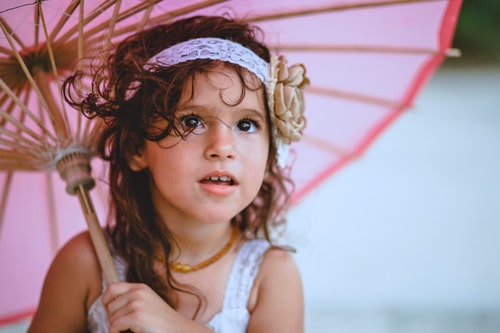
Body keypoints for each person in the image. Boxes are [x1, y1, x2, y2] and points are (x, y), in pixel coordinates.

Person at [28, 14, 308, 333]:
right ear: (136, 147)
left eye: (246, 124)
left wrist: (176, 327)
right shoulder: (86, 264)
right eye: (191, 122)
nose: (223, 147)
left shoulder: (270, 276)